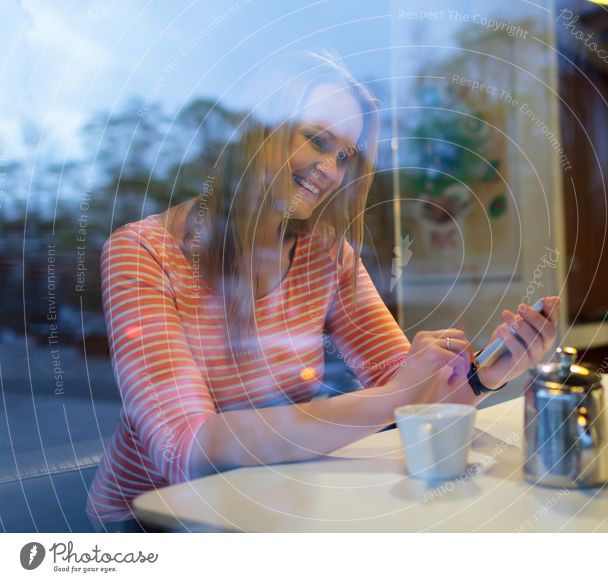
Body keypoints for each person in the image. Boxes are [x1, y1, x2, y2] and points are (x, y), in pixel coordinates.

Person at [85, 52, 559, 531]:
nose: (330, 171)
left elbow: (411, 404)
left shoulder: (326, 255)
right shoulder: (141, 251)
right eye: (316, 140)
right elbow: (190, 450)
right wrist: (393, 396)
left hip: (275, 502)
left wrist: (488, 374)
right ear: (258, 132)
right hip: (159, 521)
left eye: (344, 156)